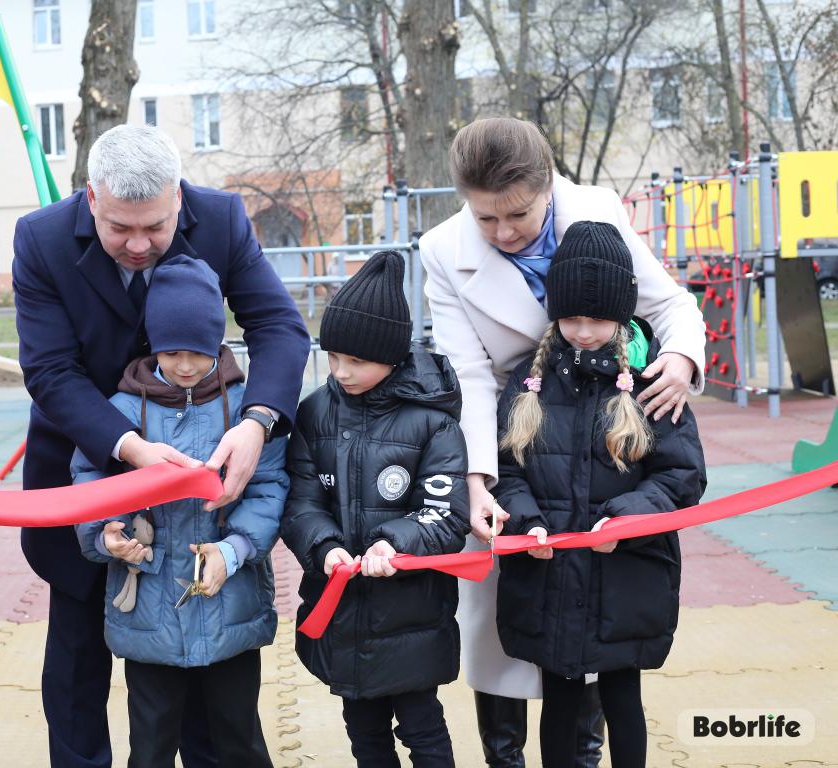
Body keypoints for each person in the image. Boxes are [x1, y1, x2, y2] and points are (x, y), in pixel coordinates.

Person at [12, 124, 310, 768]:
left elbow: (279, 327)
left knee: (199, 657)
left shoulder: (225, 219)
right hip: (87, 468)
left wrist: (256, 422)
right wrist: (131, 452)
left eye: (156, 226)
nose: (139, 244)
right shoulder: (40, 239)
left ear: (179, 198)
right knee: (76, 657)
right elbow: (51, 372)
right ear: (91, 198)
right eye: (121, 229)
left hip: (201, 480)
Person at [417, 117, 707, 767]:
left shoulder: (598, 211)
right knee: (509, 622)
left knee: (598, 637)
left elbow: (663, 304)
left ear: (547, 185)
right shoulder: (442, 248)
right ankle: (506, 753)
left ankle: (583, 748)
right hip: (517, 425)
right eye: (484, 218)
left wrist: (682, 359)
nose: (502, 233)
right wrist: (480, 479)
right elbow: (469, 373)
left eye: (516, 214)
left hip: (609, 414)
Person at [493, 221, 707, 767]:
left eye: (597, 320)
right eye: (571, 319)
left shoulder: (651, 379)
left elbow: (681, 475)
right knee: (559, 697)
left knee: (621, 694)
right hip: (550, 575)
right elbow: (506, 471)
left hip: (626, 575)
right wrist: (525, 522)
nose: (583, 332)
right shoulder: (530, 383)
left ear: (623, 314)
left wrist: (626, 519)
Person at [75, 255, 287, 768]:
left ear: (219, 341)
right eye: (172, 352)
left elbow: (270, 485)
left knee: (240, 740)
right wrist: (107, 535)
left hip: (230, 606)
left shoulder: (246, 410)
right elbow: (88, 480)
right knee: (149, 745)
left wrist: (234, 551)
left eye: (198, 351)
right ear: (152, 343)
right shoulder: (122, 411)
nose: (186, 365)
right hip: (148, 611)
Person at [281, 251, 470, 767]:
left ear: (390, 355)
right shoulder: (315, 412)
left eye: (356, 361)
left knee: (422, 729)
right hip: (342, 608)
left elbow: (446, 513)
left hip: (410, 611)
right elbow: (301, 500)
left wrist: (399, 542)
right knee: (363, 732)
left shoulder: (433, 422)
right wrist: (324, 547)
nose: (340, 372)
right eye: (333, 357)